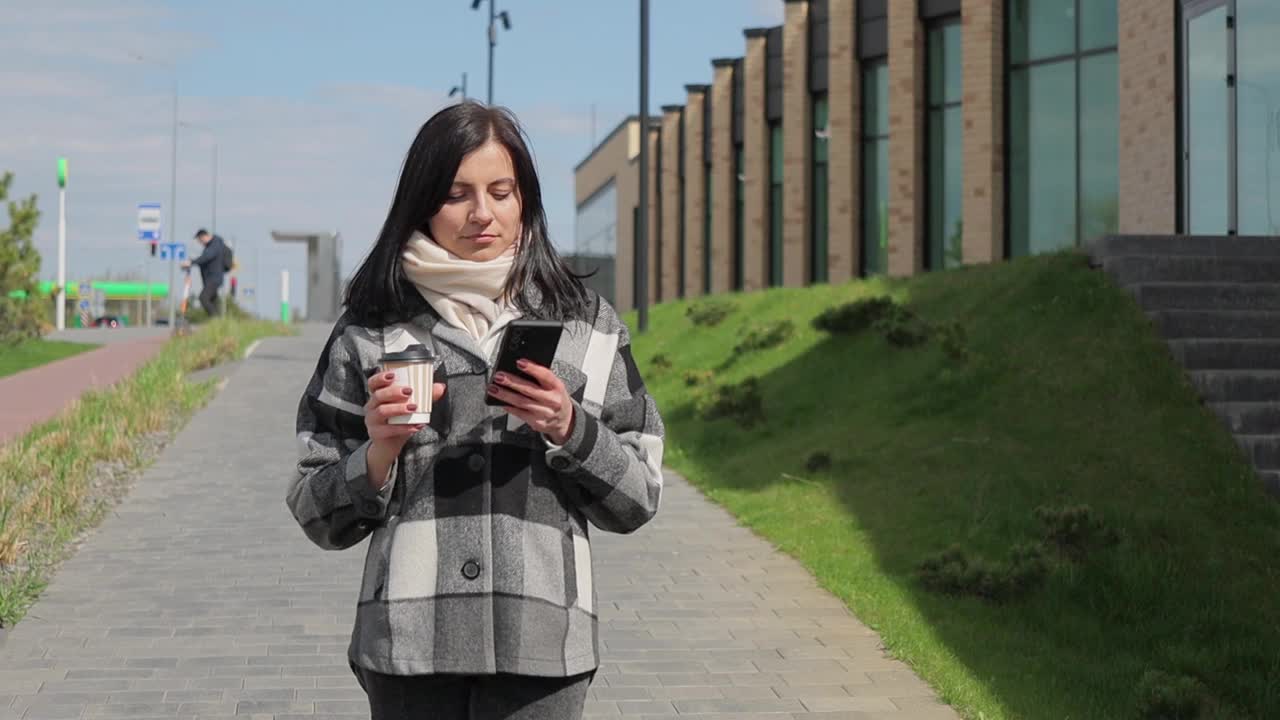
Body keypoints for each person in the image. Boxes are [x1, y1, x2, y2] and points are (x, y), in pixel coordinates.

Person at [286, 102, 665, 720]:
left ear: (525, 202)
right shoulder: (371, 327)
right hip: (410, 642)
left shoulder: (585, 323)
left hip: (542, 640)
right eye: (457, 193)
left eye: (501, 191)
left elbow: (640, 495)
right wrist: (378, 452)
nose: (482, 213)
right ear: (422, 202)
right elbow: (313, 508)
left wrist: (569, 428)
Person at [182, 229, 227, 316]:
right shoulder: (212, 245)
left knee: (204, 298)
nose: (200, 242)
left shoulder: (215, 245)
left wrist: (191, 262)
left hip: (214, 279)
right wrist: (192, 262)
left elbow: (206, 257)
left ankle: (216, 320)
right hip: (211, 279)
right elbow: (204, 260)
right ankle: (218, 324)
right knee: (213, 301)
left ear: (203, 237)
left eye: (199, 240)